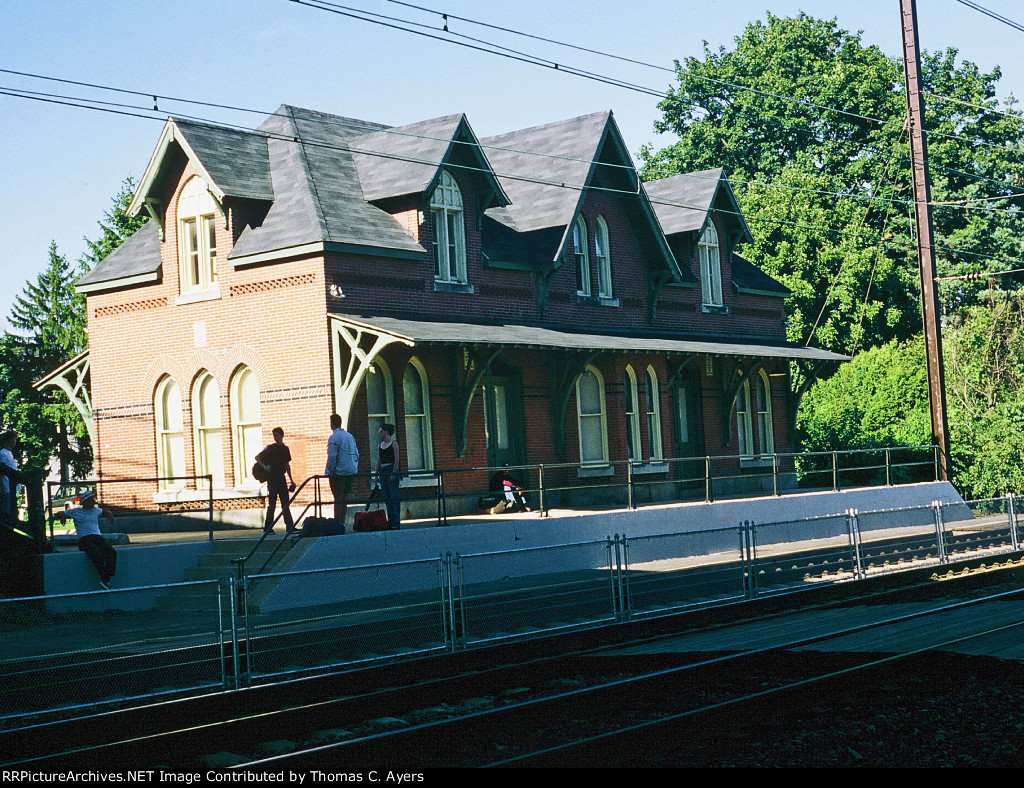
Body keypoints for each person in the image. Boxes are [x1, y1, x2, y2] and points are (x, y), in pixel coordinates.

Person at [55, 490, 117, 590]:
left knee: (112, 552)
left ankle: (107, 577)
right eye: (91, 500)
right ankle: (105, 578)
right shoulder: (76, 511)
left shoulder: (96, 510)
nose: (93, 501)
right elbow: (60, 512)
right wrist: (62, 516)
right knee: (96, 554)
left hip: (97, 537)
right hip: (85, 539)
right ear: (85, 502)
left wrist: (109, 513)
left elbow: (104, 510)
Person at [256, 427, 296, 533]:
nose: (275, 437)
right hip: (272, 478)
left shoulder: (285, 449)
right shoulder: (270, 448)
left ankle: (289, 526)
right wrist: (265, 467)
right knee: (272, 504)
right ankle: (268, 527)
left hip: (281, 477)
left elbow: (286, 465)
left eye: (277, 435)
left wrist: (291, 480)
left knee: (285, 503)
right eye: (274, 435)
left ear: (282, 435)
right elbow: (257, 457)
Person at [326, 414, 359, 524]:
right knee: (345, 498)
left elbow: (332, 457)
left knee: (338, 498)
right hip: (350, 471)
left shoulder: (334, 438)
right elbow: (356, 454)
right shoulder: (350, 436)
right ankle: (342, 522)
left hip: (339, 472)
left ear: (332, 423)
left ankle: (336, 523)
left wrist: (331, 472)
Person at [375, 424, 401, 529]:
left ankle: (396, 522)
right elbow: (378, 460)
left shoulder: (394, 444)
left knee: (393, 496)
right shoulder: (380, 446)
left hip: (390, 469)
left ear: (386, 432)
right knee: (387, 497)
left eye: (381, 430)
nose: (379, 433)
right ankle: (389, 521)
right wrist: (376, 474)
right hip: (382, 470)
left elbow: (396, 459)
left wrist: (394, 472)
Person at [0, 431, 19, 524]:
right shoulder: (3, 454)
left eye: (15, 439)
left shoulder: (9, 453)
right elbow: (1, 472)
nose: (14, 441)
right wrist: (3, 487)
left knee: (10, 509)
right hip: (6, 487)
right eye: (12, 439)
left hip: (11, 487)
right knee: (6, 510)